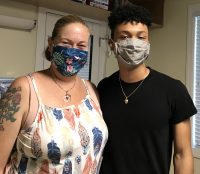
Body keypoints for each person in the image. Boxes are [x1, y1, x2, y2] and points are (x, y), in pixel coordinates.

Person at [0, 14, 108, 174]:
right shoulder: (25, 88)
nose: (73, 51)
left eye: (81, 46)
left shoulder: (91, 89)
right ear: (51, 44)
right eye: (66, 43)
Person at [97, 3, 197, 174]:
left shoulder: (173, 90)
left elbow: (182, 154)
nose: (134, 43)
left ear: (148, 42)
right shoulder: (104, 87)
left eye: (141, 37)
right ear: (112, 44)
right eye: (125, 36)